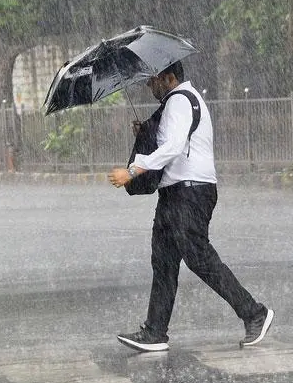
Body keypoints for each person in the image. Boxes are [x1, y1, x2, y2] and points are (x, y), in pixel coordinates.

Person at [106, 61, 274, 353]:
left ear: (169, 78)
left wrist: (132, 171)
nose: (149, 85)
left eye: (153, 79)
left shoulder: (180, 101)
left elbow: (172, 148)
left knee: (199, 258)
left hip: (190, 192)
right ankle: (155, 332)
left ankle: (254, 313)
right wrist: (147, 132)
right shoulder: (179, 101)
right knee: (163, 262)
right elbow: (172, 143)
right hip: (175, 193)